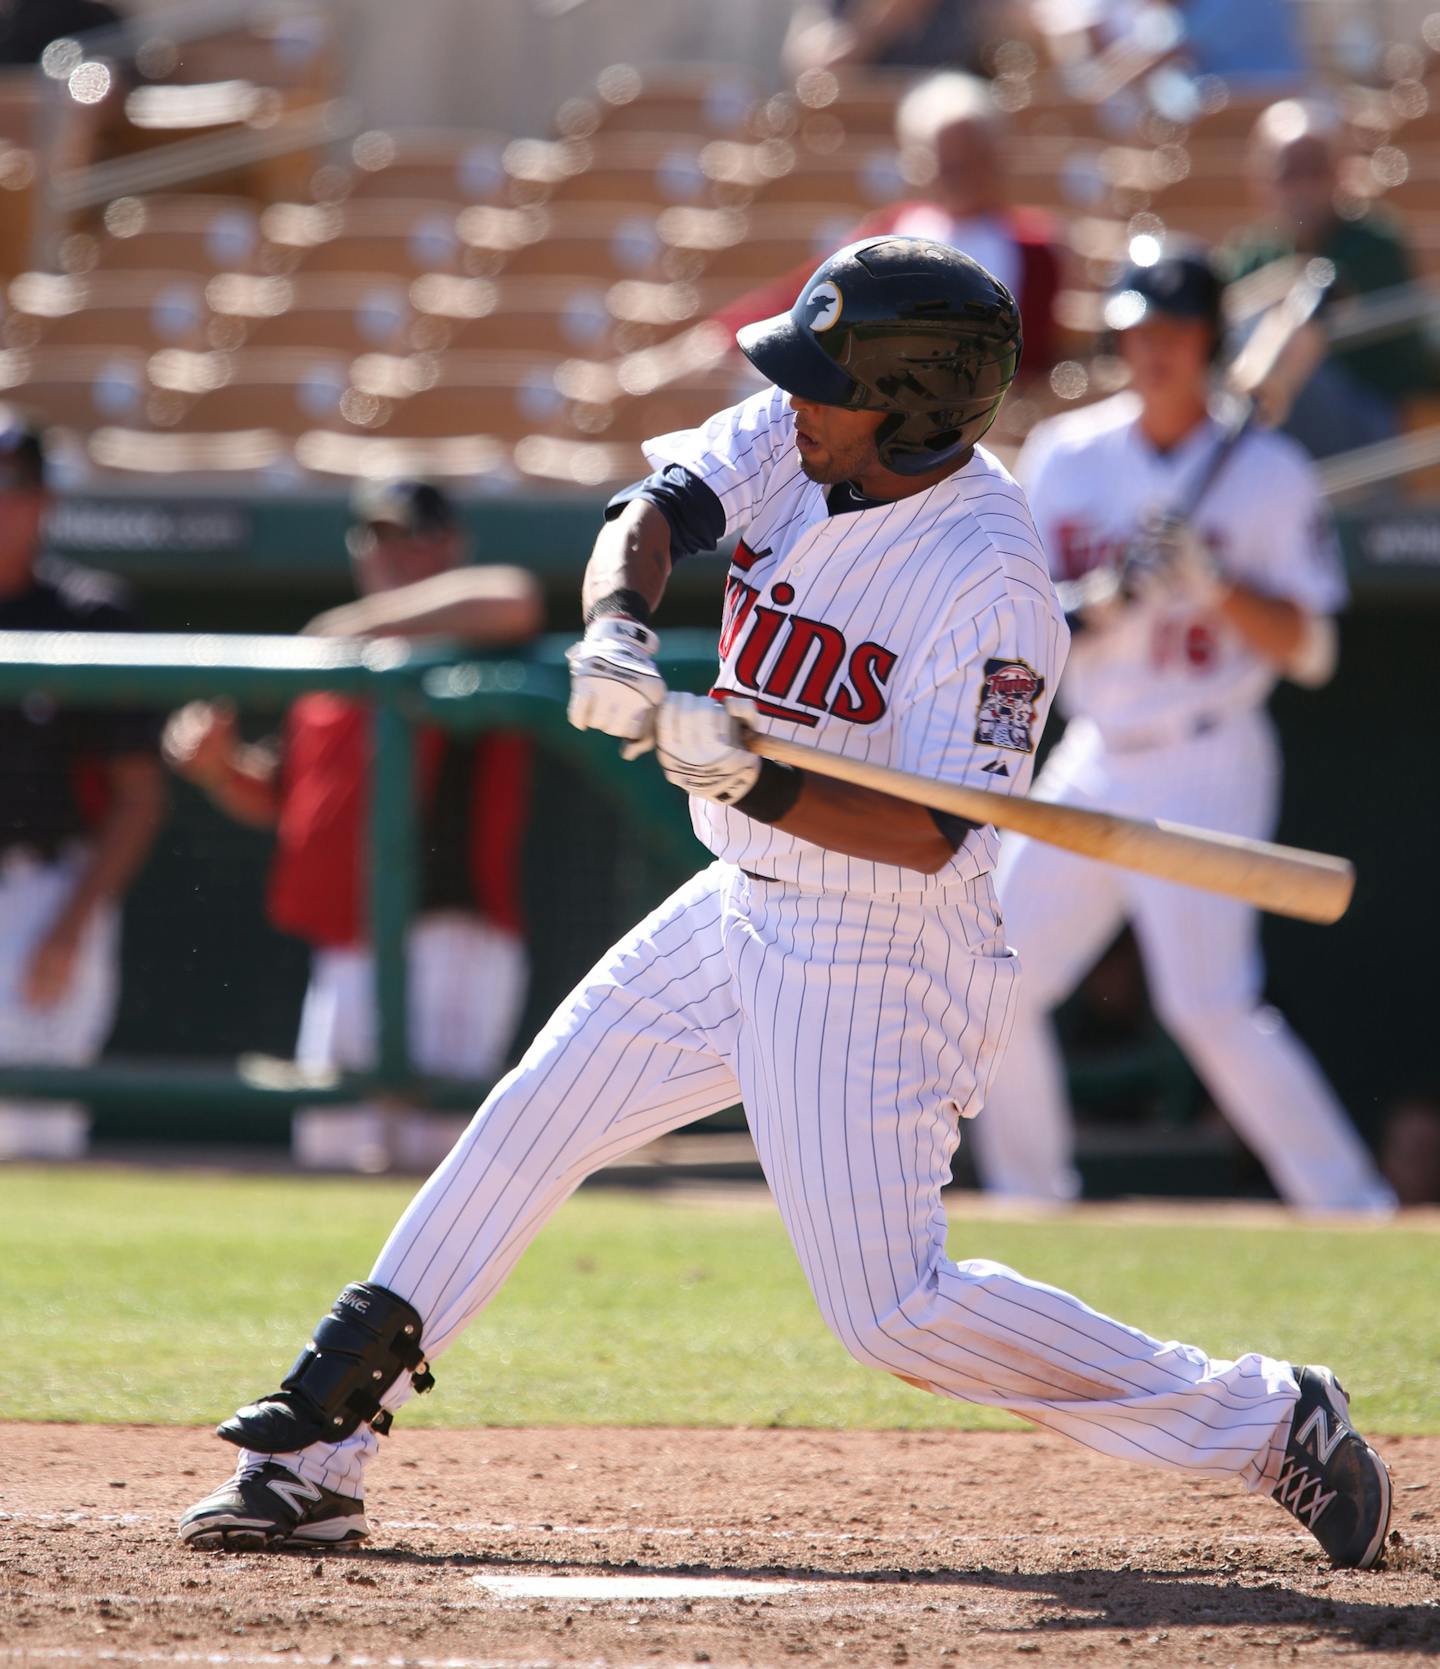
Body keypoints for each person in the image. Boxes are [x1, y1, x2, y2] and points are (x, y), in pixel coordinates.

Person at [176, 238, 1392, 1574]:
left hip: (882, 947)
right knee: (531, 1121)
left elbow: (932, 833)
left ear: (914, 403)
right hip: (741, 904)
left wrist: (745, 776)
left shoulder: (992, 581)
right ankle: (315, 1451)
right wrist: (619, 630)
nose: (796, 399)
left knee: (894, 1314)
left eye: (831, 385)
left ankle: (1269, 1419)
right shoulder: (809, 435)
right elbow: (657, 506)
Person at [970, 243, 1397, 1216]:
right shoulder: (1068, 455)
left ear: (1208, 342)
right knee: (989, 975)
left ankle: (1352, 1205)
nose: (1150, 350)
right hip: (1093, 751)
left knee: (1208, 1007)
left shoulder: (1268, 471)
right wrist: (1105, 597)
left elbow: (1312, 650)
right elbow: (1026, 621)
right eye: (1136, 331)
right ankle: (1034, 1202)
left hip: (1208, 752)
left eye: (1170, 332)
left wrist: (1213, 583)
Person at [163, 479, 541, 1173]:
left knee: (440, 1164)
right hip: (347, 942)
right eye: (378, 536)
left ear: (450, 544)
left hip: (447, 935)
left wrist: (351, 626)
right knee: (330, 1156)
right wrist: (220, 767)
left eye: (412, 535)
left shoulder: (468, 639)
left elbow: (517, 596)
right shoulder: (339, 660)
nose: (392, 552)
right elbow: (282, 795)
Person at [0, 409, 166, 1159]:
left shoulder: (87, 612)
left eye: (13, 487)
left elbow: (138, 793)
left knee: (36, 1138)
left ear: (44, 501)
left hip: (46, 889)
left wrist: (70, 924)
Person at [713, 71, 1065, 382]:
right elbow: (808, 296)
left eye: (972, 160)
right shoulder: (891, 229)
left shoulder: (1033, 247)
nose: (960, 176)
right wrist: (725, 336)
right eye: (947, 164)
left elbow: (1032, 364)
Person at [1227, 99, 1439, 460]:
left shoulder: (1375, 239)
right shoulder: (1251, 253)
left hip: (1373, 420)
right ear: (1261, 180)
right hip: (1284, 431)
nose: (1303, 188)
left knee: (1295, 360)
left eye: (1315, 171)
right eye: (1288, 173)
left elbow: (1327, 295)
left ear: (1339, 173)